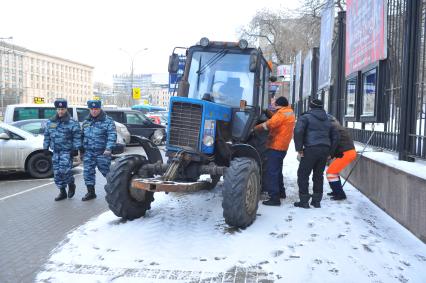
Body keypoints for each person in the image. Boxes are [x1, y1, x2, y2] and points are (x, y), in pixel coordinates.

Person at [293, 98, 338, 208]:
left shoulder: (305, 117)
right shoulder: (329, 119)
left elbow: (298, 131)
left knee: (303, 175)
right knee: (318, 175)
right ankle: (316, 201)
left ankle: (304, 200)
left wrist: (299, 148)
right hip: (324, 149)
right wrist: (330, 152)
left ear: (311, 106)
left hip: (310, 149)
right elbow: (336, 137)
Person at [254, 96, 295, 206]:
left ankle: (274, 198)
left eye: (275, 104)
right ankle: (281, 192)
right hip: (283, 147)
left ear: (278, 105)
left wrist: (256, 128)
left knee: (272, 172)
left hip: (276, 146)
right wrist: (268, 113)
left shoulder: (281, 114)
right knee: (277, 171)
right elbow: (277, 119)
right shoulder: (288, 112)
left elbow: (271, 124)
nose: (274, 105)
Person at [43, 99, 81, 201]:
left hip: (66, 151)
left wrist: (75, 149)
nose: (60, 111)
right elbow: (47, 136)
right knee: (56, 173)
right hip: (56, 151)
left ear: (66, 109)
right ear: (56, 109)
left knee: (65, 171)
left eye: (63, 109)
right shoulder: (51, 122)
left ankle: (71, 184)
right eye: (59, 109)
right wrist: (45, 148)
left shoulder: (72, 122)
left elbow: (77, 136)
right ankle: (62, 192)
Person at [80, 100, 117, 201]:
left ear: (100, 108)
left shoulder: (108, 121)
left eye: (96, 109)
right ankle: (91, 193)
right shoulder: (86, 121)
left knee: (108, 173)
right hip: (89, 153)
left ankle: (115, 191)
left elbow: (112, 135)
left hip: (103, 153)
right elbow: (82, 136)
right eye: (91, 109)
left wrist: (108, 148)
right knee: (88, 173)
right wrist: (81, 149)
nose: (94, 111)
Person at [326, 115, 357, 200]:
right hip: (347, 152)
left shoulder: (334, 128)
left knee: (330, 172)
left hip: (346, 153)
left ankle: (340, 194)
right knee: (333, 171)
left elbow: (334, 143)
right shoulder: (338, 127)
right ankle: (336, 191)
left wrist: (330, 155)